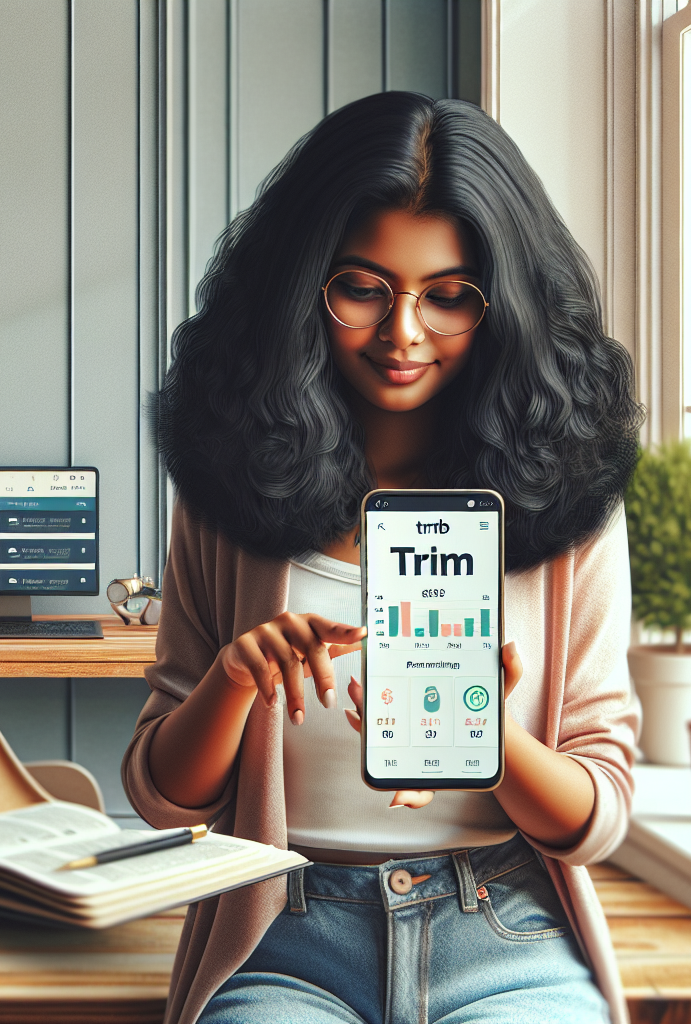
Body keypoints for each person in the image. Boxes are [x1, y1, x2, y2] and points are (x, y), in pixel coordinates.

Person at [123, 91, 642, 1024]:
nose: (403, 333)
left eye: (448, 297)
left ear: (505, 308)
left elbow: (595, 817)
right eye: (362, 287)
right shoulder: (227, 492)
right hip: (281, 937)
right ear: (301, 289)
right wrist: (234, 683)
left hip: (505, 933)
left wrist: (484, 741)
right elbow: (163, 797)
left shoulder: (569, 511)